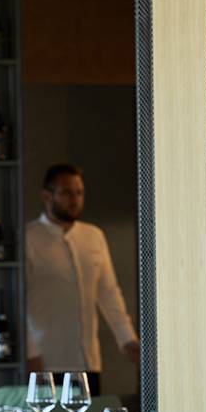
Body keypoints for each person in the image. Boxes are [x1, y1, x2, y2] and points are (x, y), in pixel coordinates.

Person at [26, 163, 139, 396]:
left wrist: (128, 340)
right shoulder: (28, 238)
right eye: (67, 193)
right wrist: (30, 354)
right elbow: (19, 303)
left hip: (88, 363)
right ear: (47, 196)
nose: (75, 200)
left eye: (79, 193)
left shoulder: (94, 236)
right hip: (46, 363)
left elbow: (109, 294)